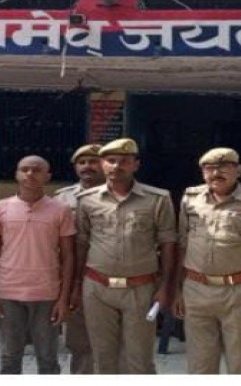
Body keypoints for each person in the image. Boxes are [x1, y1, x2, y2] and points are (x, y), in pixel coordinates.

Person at [172, 147, 241, 374]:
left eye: (224, 167)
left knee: (240, 363)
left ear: (238, 170)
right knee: (199, 364)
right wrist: (177, 289)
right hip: (196, 289)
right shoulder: (190, 199)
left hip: (239, 292)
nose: (216, 173)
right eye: (209, 168)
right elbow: (182, 245)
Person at [73, 137, 177, 374]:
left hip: (140, 288)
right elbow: (81, 244)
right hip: (97, 287)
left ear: (136, 165)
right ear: (102, 164)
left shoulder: (157, 199)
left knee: (139, 360)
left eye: (124, 161)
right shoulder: (87, 200)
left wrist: (165, 287)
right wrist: (76, 285)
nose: (116, 166)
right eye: (111, 160)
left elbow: (168, 244)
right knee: (102, 358)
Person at [0, 155, 75, 374]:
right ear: (16, 174)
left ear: (48, 176)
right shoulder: (0, 208)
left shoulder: (60, 210)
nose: (30, 174)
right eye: (24, 169)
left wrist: (63, 298)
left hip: (47, 293)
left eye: (36, 170)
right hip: (8, 292)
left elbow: (68, 256)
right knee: (9, 357)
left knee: (48, 357)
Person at [52, 143, 103, 374]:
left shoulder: (118, 194)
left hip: (106, 272)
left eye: (93, 161)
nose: (87, 166)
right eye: (82, 162)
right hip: (73, 276)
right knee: (79, 341)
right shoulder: (62, 198)